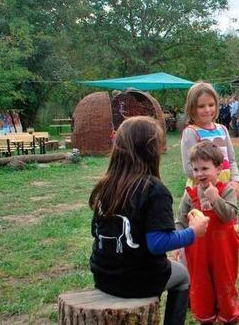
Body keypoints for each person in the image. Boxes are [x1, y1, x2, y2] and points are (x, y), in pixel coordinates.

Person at [88, 116, 210, 325]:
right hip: (138, 281)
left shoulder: (104, 186)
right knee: (182, 276)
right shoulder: (154, 190)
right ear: (151, 151)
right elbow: (158, 244)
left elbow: (95, 231)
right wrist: (193, 232)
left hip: (103, 277)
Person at [176, 140, 239, 324]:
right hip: (198, 251)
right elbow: (180, 220)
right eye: (196, 170)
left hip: (223, 249)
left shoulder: (226, 190)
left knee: (225, 281)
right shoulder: (190, 194)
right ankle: (205, 316)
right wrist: (179, 242)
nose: (200, 174)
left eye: (205, 168)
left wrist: (215, 199)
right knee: (200, 283)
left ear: (219, 169)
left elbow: (229, 216)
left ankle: (229, 316)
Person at [181, 82, 239, 199]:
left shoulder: (223, 129)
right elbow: (189, 168)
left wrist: (236, 181)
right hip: (202, 193)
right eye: (201, 106)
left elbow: (231, 160)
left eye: (211, 104)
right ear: (192, 108)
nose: (207, 109)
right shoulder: (191, 132)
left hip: (225, 190)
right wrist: (212, 185)